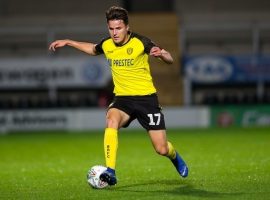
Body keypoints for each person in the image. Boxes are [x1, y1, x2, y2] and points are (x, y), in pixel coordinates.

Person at [49, 6, 188, 186]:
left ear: (127, 27)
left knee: (161, 149)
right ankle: (111, 171)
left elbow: (169, 59)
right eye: (111, 28)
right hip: (123, 99)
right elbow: (92, 49)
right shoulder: (107, 44)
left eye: (118, 28)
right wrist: (68, 42)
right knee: (111, 119)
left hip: (146, 99)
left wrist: (161, 54)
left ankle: (175, 157)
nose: (114, 33)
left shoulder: (140, 42)